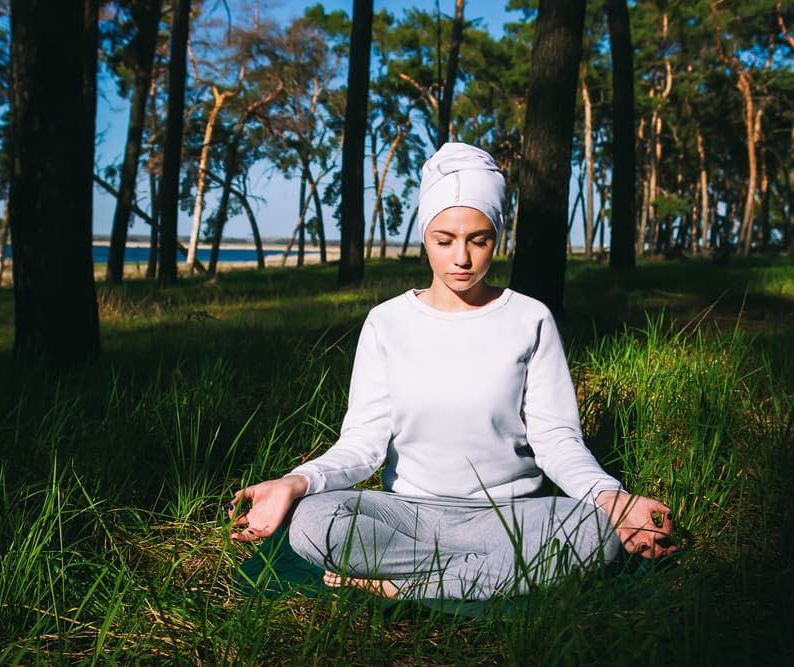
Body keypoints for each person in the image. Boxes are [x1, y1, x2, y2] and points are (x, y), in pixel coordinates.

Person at [228, 143, 677, 601]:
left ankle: (401, 586)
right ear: (425, 237)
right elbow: (361, 444)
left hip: (508, 517)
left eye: (478, 239)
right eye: (444, 240)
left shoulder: (530, 318)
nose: (461, 258)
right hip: (406, 516)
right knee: (312, 521)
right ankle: (472, 581)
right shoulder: (387, 322)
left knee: (592, 534)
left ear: (498, 235)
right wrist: (294, 481)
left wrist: (608, 497)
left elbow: (557, 438)